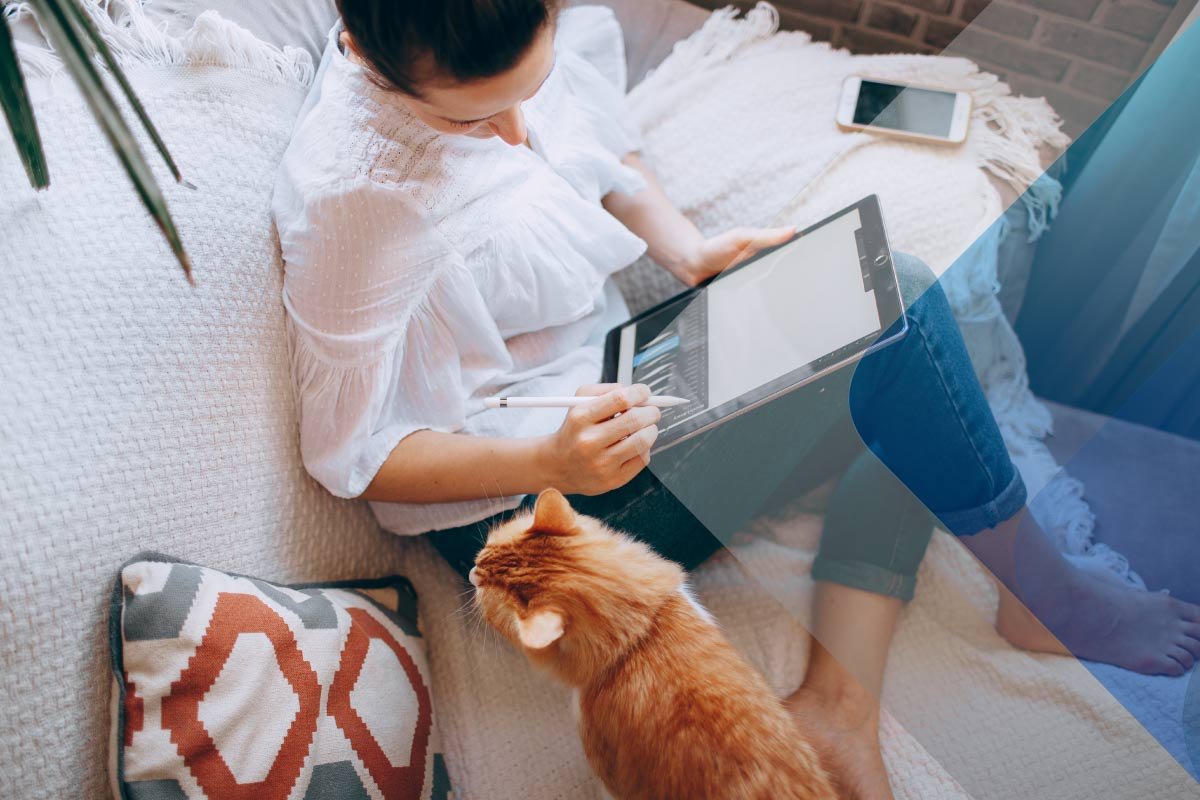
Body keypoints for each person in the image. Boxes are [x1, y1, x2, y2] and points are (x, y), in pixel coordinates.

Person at [272, 2, 1200, 797]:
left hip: (617, 384)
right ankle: (1046, 595)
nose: (519, 133)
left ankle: (839, 706)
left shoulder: (503, 34)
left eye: (530, 90)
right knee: (906, 317)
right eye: (476, 121)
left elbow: (600, 149)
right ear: (362, 51)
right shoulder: (356, 203)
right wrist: (547, 461)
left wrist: (688, 250)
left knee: (904, 366)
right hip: (530, 507)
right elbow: (352, 456)